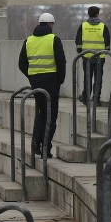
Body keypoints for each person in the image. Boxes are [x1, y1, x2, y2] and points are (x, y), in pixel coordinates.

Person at [18, 12, 66, 158]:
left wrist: (32, 76)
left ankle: (36, 141)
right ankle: (45, 146)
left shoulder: (29, 40)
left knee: (42, 112)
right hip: (51, 81)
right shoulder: (54, 39)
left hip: (36, 82)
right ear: (51, 24)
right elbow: (61, 62)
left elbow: (22, 64)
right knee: (51, 115)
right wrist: (60, 79)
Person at [75, 5, 110, 106]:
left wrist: (80, 52)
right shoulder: (103, 26)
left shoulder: (83, 26)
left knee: (87, 78)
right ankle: (96, 100)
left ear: (88, 14)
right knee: (98, 79)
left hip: (86, 57)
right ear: (97, 14)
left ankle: (86, 99)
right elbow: (107, 44)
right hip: (100, 57)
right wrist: (105, 52)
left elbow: (78, 42)